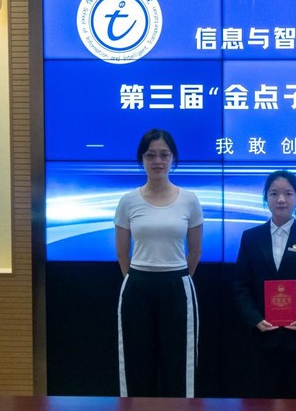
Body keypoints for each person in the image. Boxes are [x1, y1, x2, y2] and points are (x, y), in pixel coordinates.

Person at [115, 128, 203, 397]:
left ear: (173, 158)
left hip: (177, 285)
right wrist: (138, 279)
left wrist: (175, 278)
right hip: (138, 285)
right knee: (137, 362)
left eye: (164, 155)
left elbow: (195, 252)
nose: (157, 161)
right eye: (150, 155)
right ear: (141, 159)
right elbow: (122, 254)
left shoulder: (189, 200)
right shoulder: (128, 201)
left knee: (178, 363)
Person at [233, 170, 296, 399]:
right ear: (265, 198)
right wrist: (255, 318)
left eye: (288, 193)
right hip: (262, 335)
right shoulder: (250, 237)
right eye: (274, 193)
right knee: (262, 398)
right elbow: (241, 285)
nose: (281, 200)